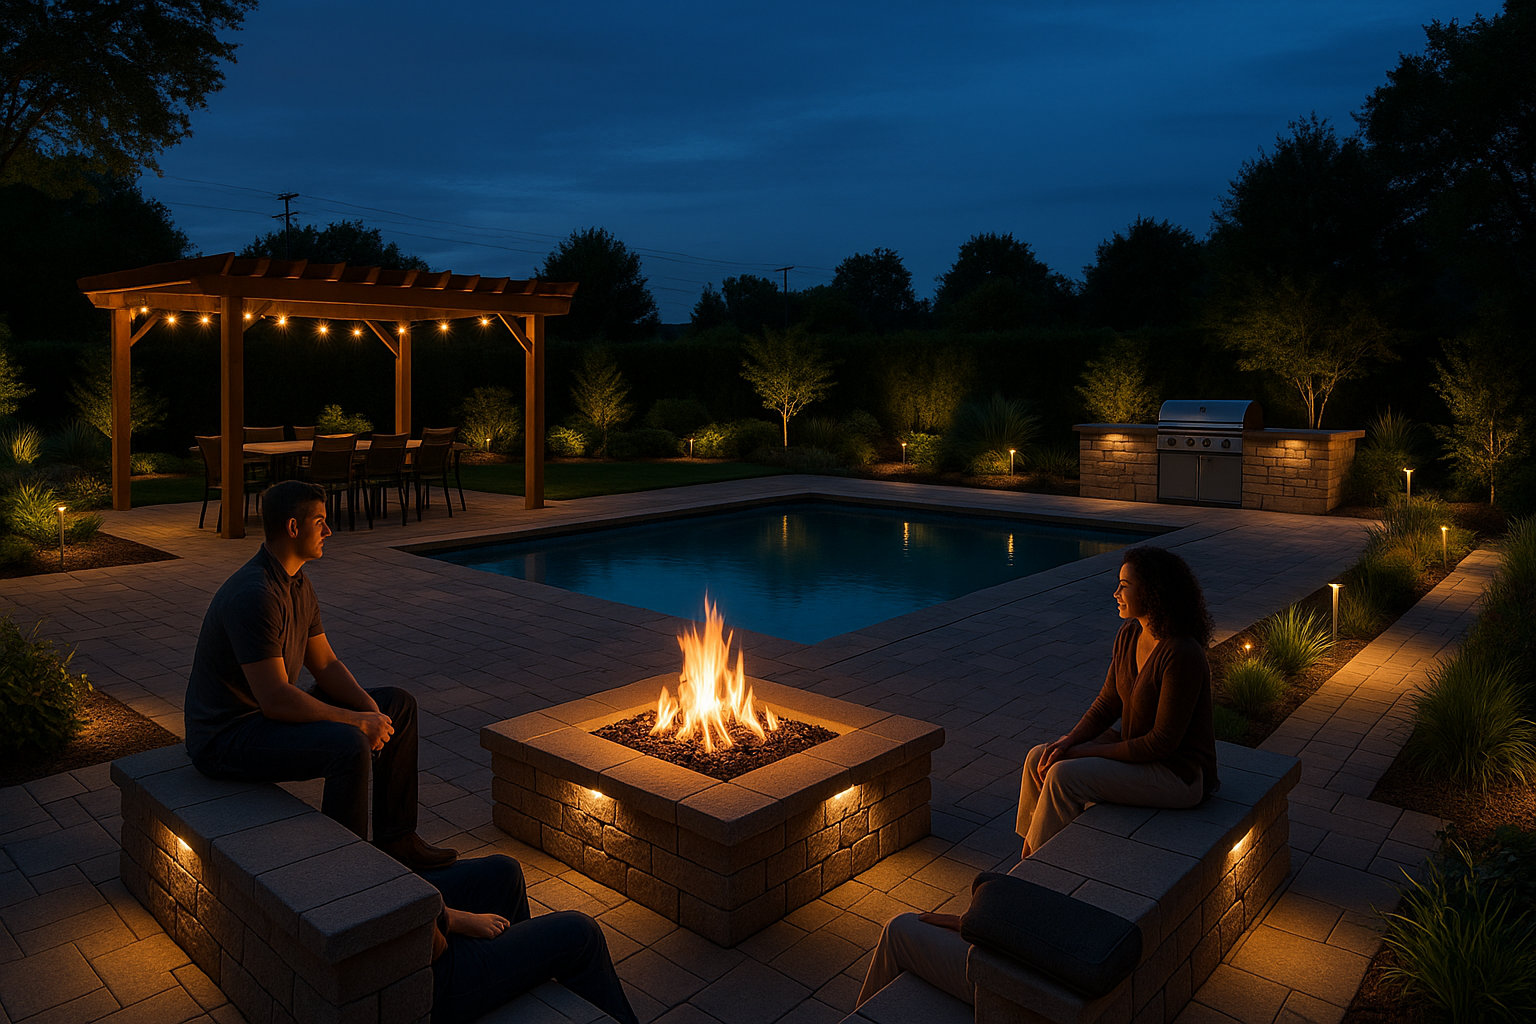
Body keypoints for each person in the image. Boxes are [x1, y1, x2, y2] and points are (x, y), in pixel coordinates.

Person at [855, 545, 1218, 1008]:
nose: (1116, 593)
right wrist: (1066, 741)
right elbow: (1108, 703)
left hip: (1179, 776)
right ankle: (1024, 865)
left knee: (1066, 777)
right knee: (1038, 757)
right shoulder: (1130, 636)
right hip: (1146, 757)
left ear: (1154, 591)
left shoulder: (1182, 653)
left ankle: (1021, 895)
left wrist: (1083, 753)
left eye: (1125, 586)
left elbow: (1163, 743)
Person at [183, 480, 456, 872]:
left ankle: (398, 840)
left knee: (399, 705)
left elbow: (325, 665)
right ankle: (345, 868)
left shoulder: (298, 583)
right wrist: (358, 723)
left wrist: (372, 711)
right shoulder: (255, 593)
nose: (328, 532)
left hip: (262, 717)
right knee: (348, 744)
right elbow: (276, 700)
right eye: (320, 522)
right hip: (227, 737)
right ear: (293, 528)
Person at [422, 855, 639, 1024]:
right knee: (581, 932)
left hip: (425, 915)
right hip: (435, 976)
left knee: (505, 871)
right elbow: (427, 936)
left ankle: (527, 984)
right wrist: (455, 920)